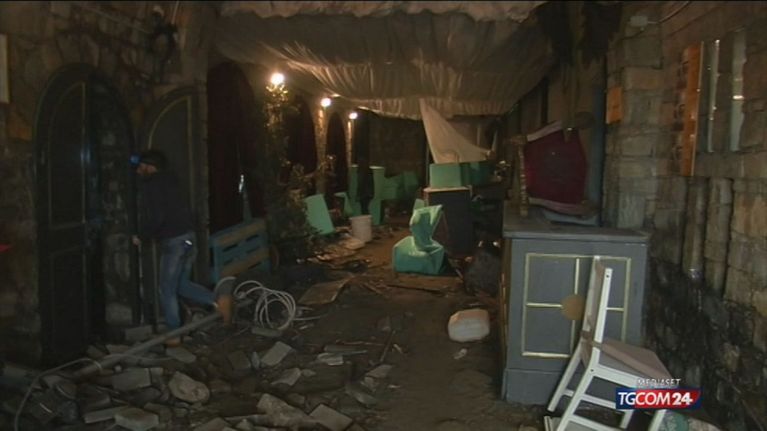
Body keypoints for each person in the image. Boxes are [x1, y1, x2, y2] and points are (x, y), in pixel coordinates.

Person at [132, 150, 232, 346]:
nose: (138, 170)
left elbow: (157, 217)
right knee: (180, 285)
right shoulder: (171, 181)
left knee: (166, 288)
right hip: (188, 238)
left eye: (141, 166)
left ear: (150, 167)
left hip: (175, 242)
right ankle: (219, 299)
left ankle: (174, 332)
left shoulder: (153, 185)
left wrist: (142, 236)